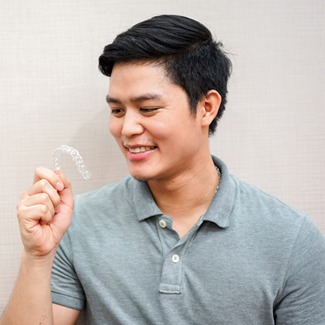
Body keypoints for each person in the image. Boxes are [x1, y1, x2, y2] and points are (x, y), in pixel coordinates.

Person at [1, 14, 325, 325]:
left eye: (148, 109)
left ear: (206, 107)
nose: (126, 128)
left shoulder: (290, 238)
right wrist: (37, 256)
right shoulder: (76, 222)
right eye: (116, 110)